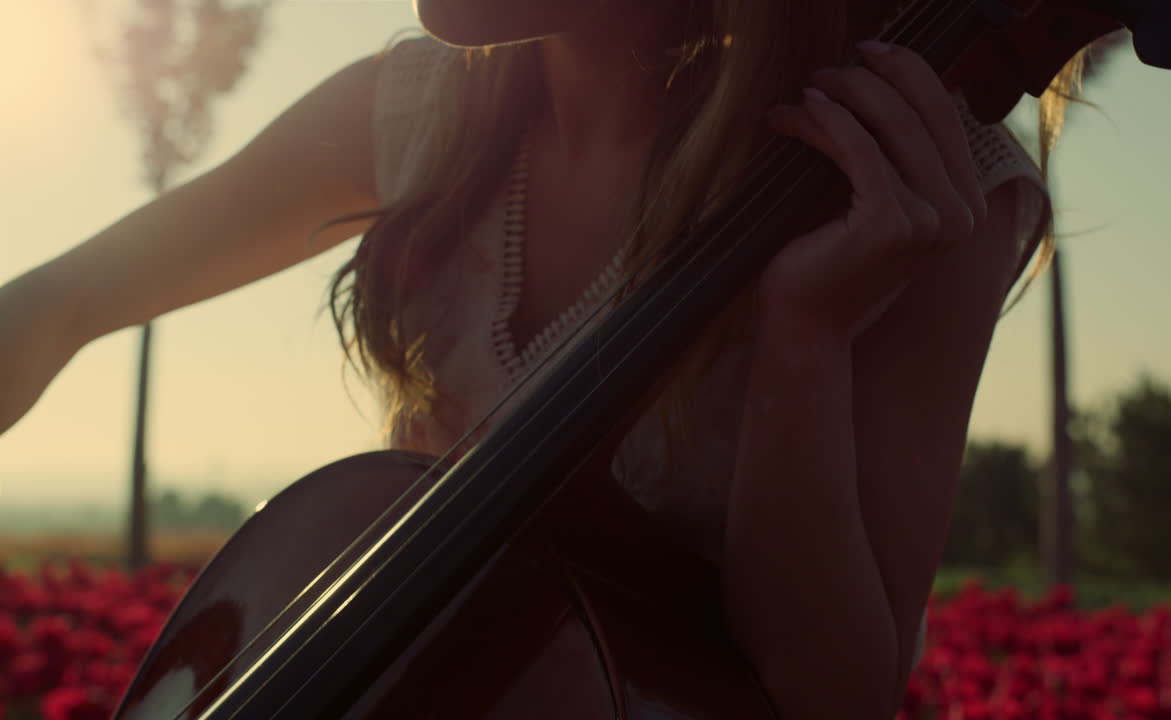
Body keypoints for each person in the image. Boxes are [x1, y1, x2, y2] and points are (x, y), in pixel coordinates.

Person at [0, 0, 1062, 716]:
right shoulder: (421, 111)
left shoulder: (907, 185)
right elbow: (58, 303)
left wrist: (806, 339)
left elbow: (827, 696)